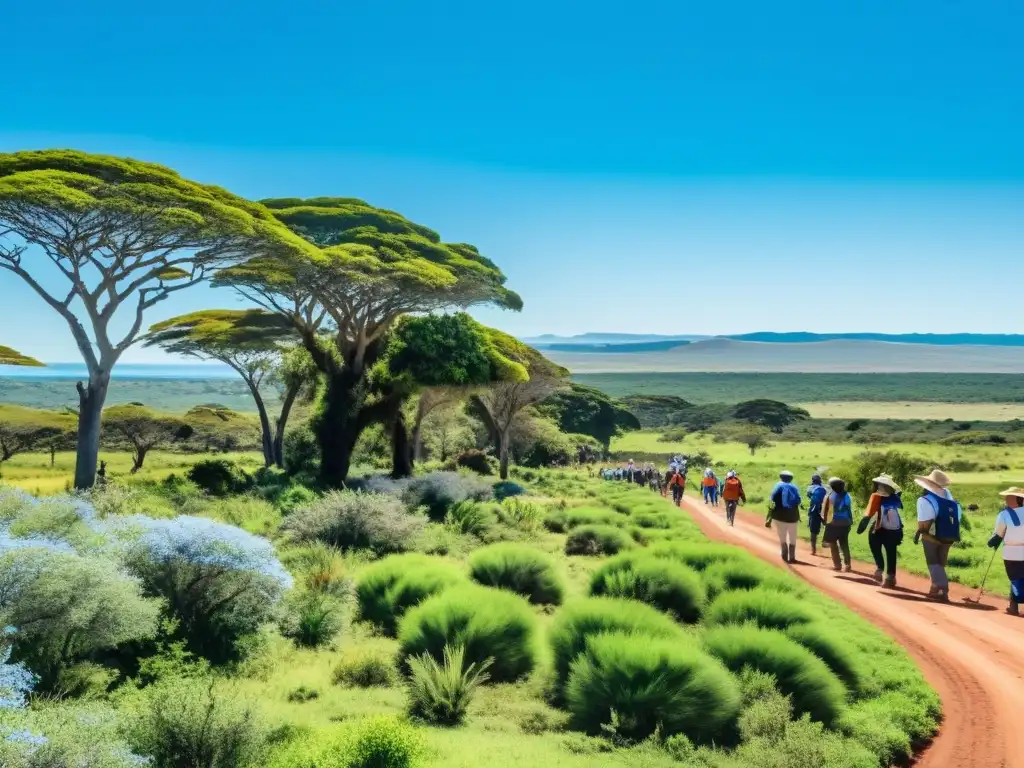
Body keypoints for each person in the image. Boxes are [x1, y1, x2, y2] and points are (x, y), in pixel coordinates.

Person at [913, 469, 960, 602]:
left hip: (932, 535)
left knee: (933, 562)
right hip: (949, 535)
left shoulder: (925, 500)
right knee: (941, 562)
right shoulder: (951, 500)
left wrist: (920, 532)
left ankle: (942, 589)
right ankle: (935, 587)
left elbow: (923, 525)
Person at [859, 474, 903, 586]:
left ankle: (880, 568)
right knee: (891, 552)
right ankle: (890, 577)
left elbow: (868, 514)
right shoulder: (895, 498)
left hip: (880, 528)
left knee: (874, 544)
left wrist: (862, 527)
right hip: (895, 530)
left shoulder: (875, 496)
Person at [989, 487, 1024, 617]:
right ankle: (1013, 605)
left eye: (1008, 497)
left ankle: (1013, 607)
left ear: (1015, 499)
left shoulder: (1004, 514)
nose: (1006, 500)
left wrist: (992, 542)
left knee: (1015, 579)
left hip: (1012, 553)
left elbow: (998, 534)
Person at [768, 470, 802, 563]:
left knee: (782, 534)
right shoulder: (794, 488)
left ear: (781, 477)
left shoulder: (778, 486)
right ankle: (792, 556)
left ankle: (784, 554)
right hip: (793, 516)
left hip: (779, 516)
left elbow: (772, 500)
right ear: (791, 478)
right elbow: (799, 501)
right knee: (792, 536)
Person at [822, 477, 854, 572]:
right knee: (844, 543)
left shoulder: (829, 496)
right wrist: (850, 520)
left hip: (833, 523)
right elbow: (848, 509)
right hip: (846, 523)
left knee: (833, 543)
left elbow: (825, 511)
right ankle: (848, 565)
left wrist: (825, 521)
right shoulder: (846, 495)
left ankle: (837, 565)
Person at [805, 474, 827, 556]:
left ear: (812, 480)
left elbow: (809, 495)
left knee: (813, 531)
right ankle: (826, 541)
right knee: (827, 526)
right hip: (824, 509)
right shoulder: (824, 489)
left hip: (814, 510)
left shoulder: (810, 488)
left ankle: (813, 550)